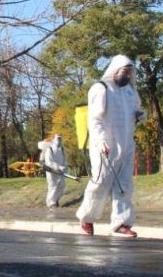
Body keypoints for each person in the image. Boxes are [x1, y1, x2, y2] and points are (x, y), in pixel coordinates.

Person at [76, 55, 146, 238]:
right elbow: (95, 119)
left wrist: (140, 115)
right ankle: (87, 218)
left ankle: (121, 223)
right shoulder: (101, 89)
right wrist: (100, 141)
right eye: (125, 72)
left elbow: (136, 110)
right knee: (100, 182)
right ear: (115, 70)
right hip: (105, 144)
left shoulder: (130, 91)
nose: (127, 76)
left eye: (130, 72)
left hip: (126, 143)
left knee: (125, 185)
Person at [41, 134, 67, 209]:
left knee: (61, 185)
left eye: (60, 139)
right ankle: (51, 203)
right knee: (53, 186)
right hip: (51, 171)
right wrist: (58, 167)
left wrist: (64, 166)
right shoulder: (50, 149)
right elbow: (49, 162)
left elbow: (64, 159)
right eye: (58, 139)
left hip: (60, 171)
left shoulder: (62, 149)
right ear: (54, 139)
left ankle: (56, 200)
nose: (59, 141)